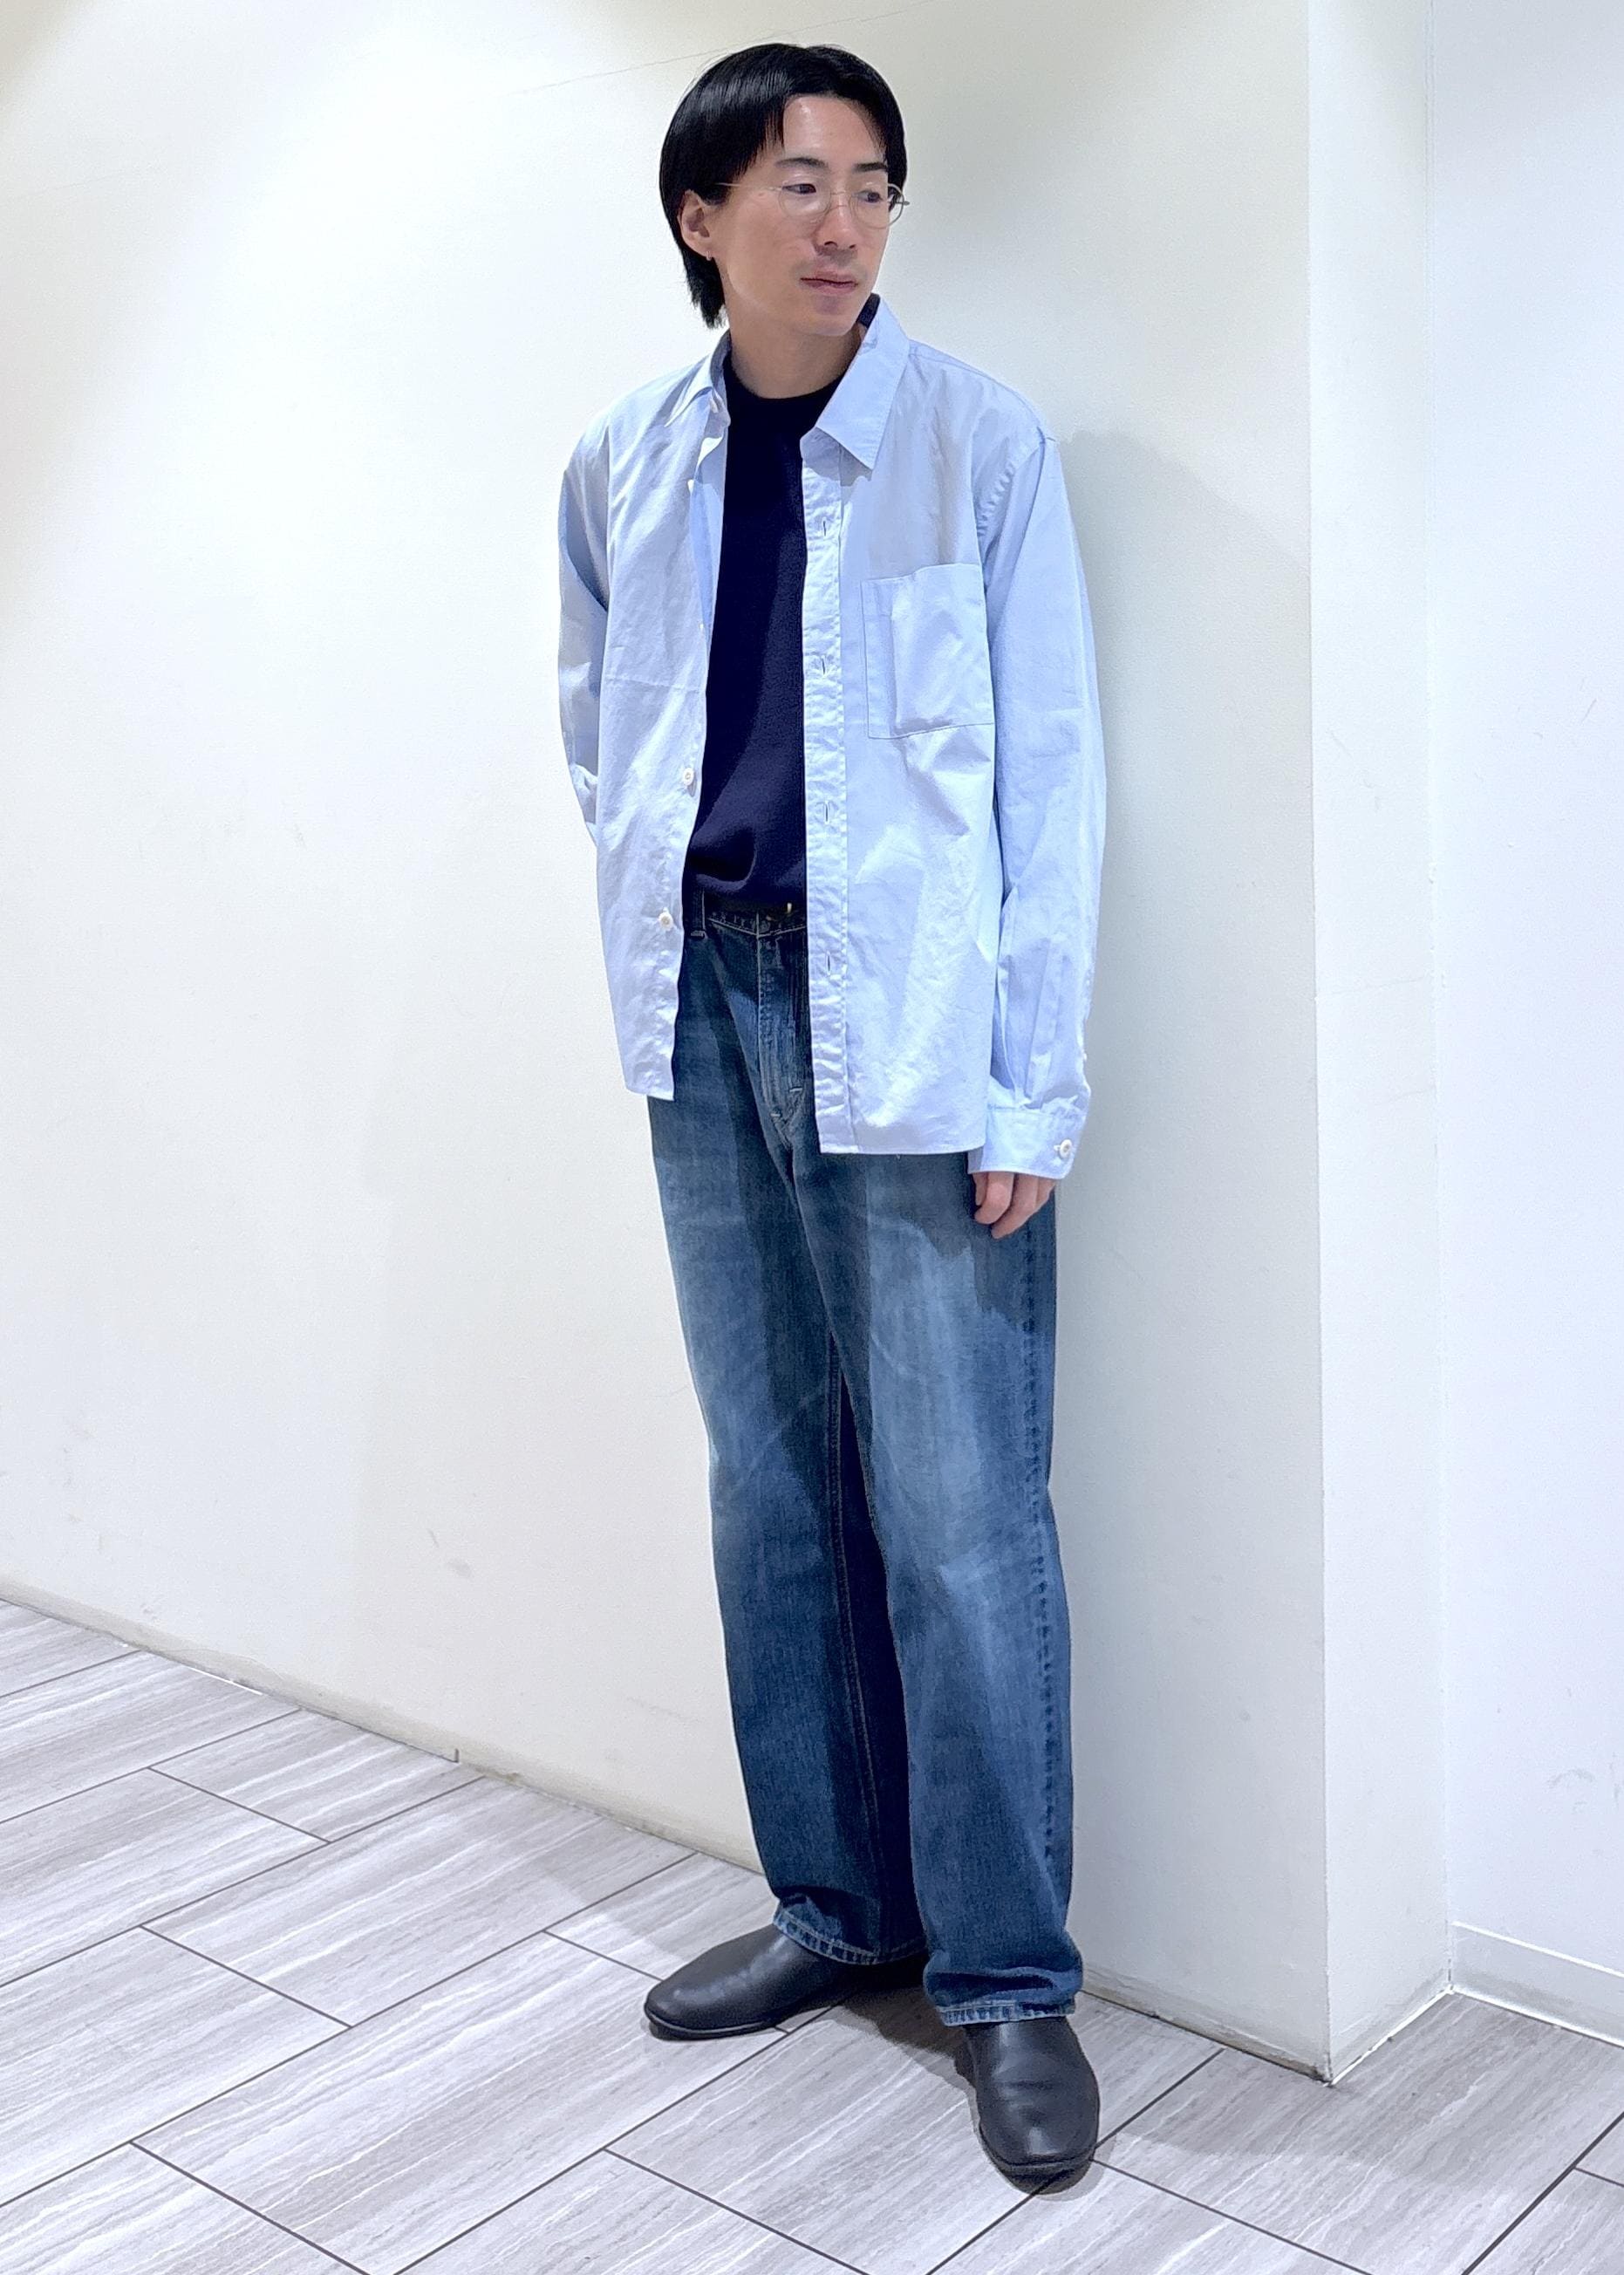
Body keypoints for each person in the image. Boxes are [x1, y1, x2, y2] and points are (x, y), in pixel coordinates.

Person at [555, 39, 1106, 2184]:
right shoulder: (623, 460)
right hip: (704, 1010)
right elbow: (601, 732)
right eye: (799, 182)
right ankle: (835, 1904)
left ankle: (1007, 1976)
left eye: (873, 183)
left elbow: (1051, 780)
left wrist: (1032, 1079)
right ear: (701, 216)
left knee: (962, 1517)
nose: (845, 221)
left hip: (923, 1033)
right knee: (770, 1486)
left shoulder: (976, 444)